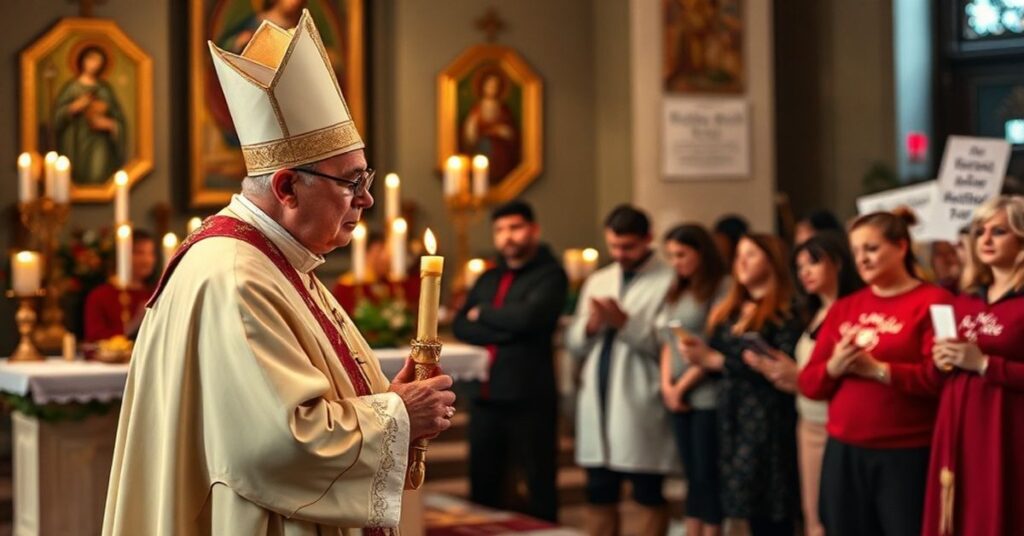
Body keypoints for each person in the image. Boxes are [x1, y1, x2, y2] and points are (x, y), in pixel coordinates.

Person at [103, 11, 455, 535]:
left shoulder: (272, 258)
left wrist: (384, 395)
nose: (368, 198)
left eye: (367, 177)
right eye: (351, 181)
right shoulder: (237, 276)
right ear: (288, 188)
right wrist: (397, 414)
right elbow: (278, 443)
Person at [798, 210, 953, 536]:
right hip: (845, 448)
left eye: (871, 249)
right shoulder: (845, 307)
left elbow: (941, 380)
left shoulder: (935, 302)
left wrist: (879, 370)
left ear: (900, 247)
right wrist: (833, 367)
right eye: (856, 252)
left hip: (905, 452)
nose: (862, 260)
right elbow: (809, 384)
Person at [452, 200, 567, 522]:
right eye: (500, 230)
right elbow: (462, 324)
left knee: (538, 482)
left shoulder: (551, 275)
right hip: (485, 398)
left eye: (515, 228)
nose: (508, 237)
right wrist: (507, 328)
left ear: (533, 230)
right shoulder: (488, 277)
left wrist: (485, 315)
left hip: (529, 398)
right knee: (483, 484)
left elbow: (530, 319)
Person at [680, 234, 803, 536]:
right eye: (738, 255)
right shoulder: (731, 309)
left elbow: (781, 367)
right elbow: (715, 355)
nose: (741, 262)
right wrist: (699, 355)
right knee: (744, 507)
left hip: (768, 417)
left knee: (771, 509)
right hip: (731, 413)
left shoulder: (786, 311)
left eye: (751, 255)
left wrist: (716, 361)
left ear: (772, 261)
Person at [566, 205, 676, 536]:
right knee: (599, 490)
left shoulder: (669, 280)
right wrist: (592, 326)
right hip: (597, 397)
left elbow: (670, 343)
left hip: (640, 394)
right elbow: (573, 342)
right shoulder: (600, 279)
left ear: (648, 238)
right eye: (613, 246)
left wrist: (626, 324)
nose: (620, 254)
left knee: (646, 490)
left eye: (628, 247)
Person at [744, 232, 863, 536]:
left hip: (836, 424)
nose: (805, 272)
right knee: (811, 517)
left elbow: (839, 376)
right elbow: (805, 377)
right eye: (799, 267)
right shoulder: (811, 312)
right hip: (806, 420)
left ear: (837, 263)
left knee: (835, 517)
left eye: (813, 263)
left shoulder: (853, 310)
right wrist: (776, 371)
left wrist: (798, 376)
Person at [923, 196, 1024, 536]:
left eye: (999, 231)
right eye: (980, 231)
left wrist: (985, 364)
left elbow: (982, 361)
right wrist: (942, 361)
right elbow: (940, 374)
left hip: (1007, 427)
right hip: (957, 426)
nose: (986, 240)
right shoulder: (965, 299)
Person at [655, 223, 730, 536]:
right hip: (677, 391)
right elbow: (669, 341)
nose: (676, 262)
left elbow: (715, 344)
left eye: (682, 255)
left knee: (706, 472)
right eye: (671, 256)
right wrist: (667, 387)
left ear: (701, 252)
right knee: (690, 475)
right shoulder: (677, 289)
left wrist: (683, 387)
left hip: (705, 392)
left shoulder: (721, 286)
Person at [54, 45, 126, 185]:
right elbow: (57, 118)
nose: (94, 64)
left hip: (99, 143)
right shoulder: (71, 88)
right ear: (82, 60)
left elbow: (118, 118)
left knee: (97, 172)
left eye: (98, 61)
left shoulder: (105, 89)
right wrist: (74, 107)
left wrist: (110, 124)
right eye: (91, 59)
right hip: (75, 141)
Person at [83, 229, 157, 342]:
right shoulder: (100, 296)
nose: (147, 260)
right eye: (139, 252)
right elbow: (94, 338)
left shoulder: (155, 294)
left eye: (151, 253)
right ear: (123, 254)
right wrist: (133, 324)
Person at [332, 230, 417, 313]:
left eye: (386, 252)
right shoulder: (346, 286)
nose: (384, 258)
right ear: (365, 254)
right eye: (379, 252)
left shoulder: (393, 284)